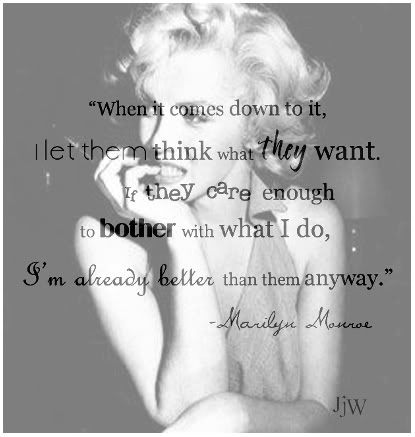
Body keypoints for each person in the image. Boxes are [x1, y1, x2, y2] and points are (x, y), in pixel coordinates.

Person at [75, 3, 345, 432]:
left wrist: (236, 415)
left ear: (254, 122)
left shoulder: (311, 227)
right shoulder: (107, 239)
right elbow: (184, 412)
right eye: (151, 107)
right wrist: (180, 234)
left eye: (194, 114)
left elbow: (321, 413)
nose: (160, 140)